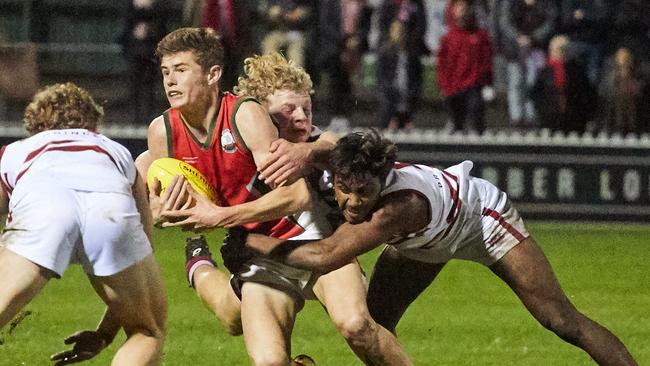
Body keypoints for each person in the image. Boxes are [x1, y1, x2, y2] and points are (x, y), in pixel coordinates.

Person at [239, 130, 639, 366]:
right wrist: (305, 150)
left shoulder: (397, 208)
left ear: (383, 180)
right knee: (372, 325)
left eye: (365, 192)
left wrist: (250, 240)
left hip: (479, 221)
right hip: (424, 241)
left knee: (560, 320)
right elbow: (333, 151)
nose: (354, 202)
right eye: (346, 191)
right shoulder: (351, 166)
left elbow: (324, 256)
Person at [138, 27, 411, 365]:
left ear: (213, 74)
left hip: (316, 240)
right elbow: (152, 206)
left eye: (180, 70)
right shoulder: (162, 132)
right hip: (259, 252)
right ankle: (198, 263)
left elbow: (319, 160)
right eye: (166, 72)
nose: (170, 81)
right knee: (243, 331)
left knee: (357, 325)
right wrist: (162, 212)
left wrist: (218, 216)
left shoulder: (247, 116)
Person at [0, 82, 167, 365]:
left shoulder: (15, 151)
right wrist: (106, 334)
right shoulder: (116, 151)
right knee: (146, 331)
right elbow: (142, 244)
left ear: (35, 121)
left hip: (44, 207)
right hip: (109, 210)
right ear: (92, 120)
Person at [437, 0, 493, 133]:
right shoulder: (448, 38)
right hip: (453, 87)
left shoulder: (480, 36)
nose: (463, 12)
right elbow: (442, 65)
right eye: (459, 8)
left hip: (474, 85)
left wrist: (489, 84)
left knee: (475, 113)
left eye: (465, 8)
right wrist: (444, 86)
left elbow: (486, 62)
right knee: (456, 120)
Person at [376, 0, 428, 130]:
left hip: (410, 51)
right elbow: (385, 86)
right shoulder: (388, 4)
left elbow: (421, 25)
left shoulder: (416, 4)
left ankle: (405, 117)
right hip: (390, 111)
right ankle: (392, 117)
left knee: (410, 85)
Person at [531, 34, 596, 134]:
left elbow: (586, 94)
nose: (559, 53)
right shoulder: (544, 71)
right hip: (550, 119)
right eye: (556, 50)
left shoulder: (577, 70)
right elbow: (537, 95)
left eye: (562, 50)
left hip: (574, 121)